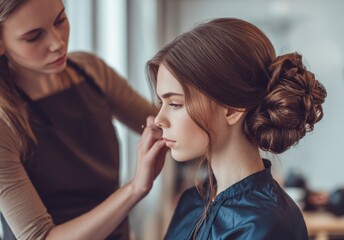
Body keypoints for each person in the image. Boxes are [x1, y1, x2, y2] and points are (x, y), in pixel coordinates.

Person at [0, 0, 167, 239]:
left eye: (60, 20)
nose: (58, 43)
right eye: (34, 37)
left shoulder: (91, 72)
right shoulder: (4, 122)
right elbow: (39, 236)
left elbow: (163, 124)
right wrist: (135, 189)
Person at [147, 17, 327, 239]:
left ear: (232, 110)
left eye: (175, 104)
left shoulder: (265, 225)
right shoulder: (192, 201)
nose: (158, 119)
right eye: (161, 103)